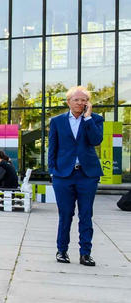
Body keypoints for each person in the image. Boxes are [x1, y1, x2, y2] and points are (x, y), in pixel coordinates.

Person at [48, 86, 104, 266]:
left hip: (87, 175)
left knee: (86, 215)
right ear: (68, 102)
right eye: (76, 100)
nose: (80, 103)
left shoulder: (95, 119)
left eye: (84, 100)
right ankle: (62, 250)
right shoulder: (57, 121)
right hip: (63, 175)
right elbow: (52, 148)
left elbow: (96, 140)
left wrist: (87, 118)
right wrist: (53, 170)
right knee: (65, 214)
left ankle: (85, 254)